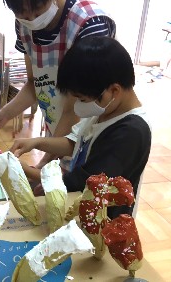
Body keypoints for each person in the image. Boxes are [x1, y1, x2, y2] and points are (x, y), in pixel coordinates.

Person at [10, 36, 152, 219]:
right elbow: (73, 143)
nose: (78, 105)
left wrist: (28, 171)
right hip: (78, 208)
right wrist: (35, 142)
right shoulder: (104, 110)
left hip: (102, 222)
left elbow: (85, 184)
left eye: (82, 99)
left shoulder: (131, 132)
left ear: (113, 91)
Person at [0, 0, 116, 171]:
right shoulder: (23, 24)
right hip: (59, 128)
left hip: (90, 132)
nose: (31, 20)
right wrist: (4, 114)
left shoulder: (89, 24)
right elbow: (35, 83)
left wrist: (44, 164)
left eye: (37, 10)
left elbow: (74, 109)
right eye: (22, 13)